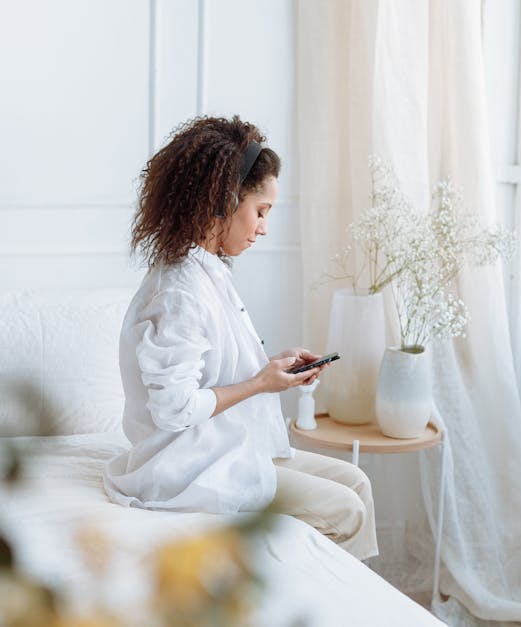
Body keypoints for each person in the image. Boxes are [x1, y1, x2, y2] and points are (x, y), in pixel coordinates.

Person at [103, 115, 378, 561]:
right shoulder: (179, 292)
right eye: (261, 211)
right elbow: (174, 409)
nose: (264, 228)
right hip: (189, 469)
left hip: (223, 446)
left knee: (358, 483)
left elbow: (211, 371)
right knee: (346, 509)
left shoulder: (206, 270)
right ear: (223, 201)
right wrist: (260, 383)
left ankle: (349, 597)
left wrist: (272, 369)